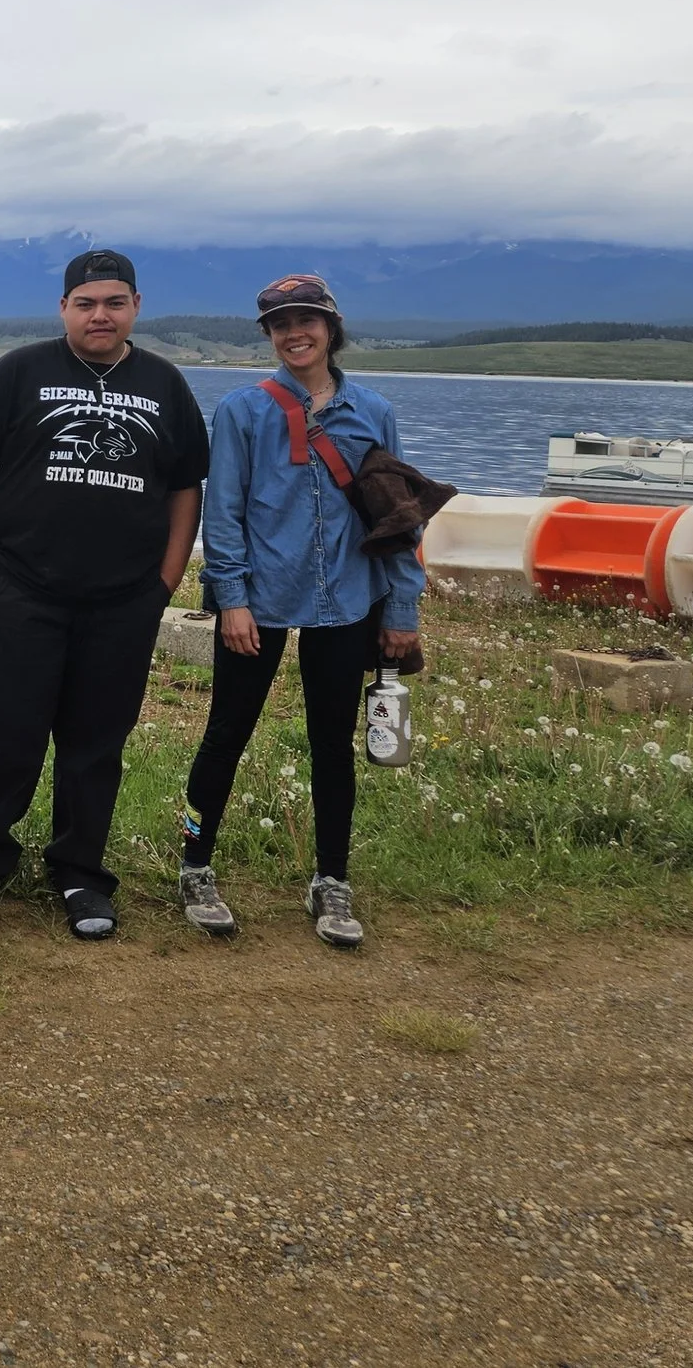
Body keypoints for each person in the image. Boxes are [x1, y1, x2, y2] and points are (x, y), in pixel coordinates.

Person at [0, 250, 208, 940]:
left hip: (123, 600)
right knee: (10, 732)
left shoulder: (165, 384)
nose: (100, 314)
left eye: (114, 302)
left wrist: (164, 581)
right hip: (22, 591)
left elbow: (186, 487)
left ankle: (81, 872)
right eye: (86, 302)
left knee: (96, 742)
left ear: (136, 307)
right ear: (64, 308)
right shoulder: (18, 373)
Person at [179, 274, 424, 949]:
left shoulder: (374, 411)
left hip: (348, 601)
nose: (295, 333)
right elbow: (222, 511)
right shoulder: (241, 410)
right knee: (224, 735)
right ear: (268, 334)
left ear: (331, 329)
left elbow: (398, 518)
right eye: (281, 323)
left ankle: (331, 879)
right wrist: (231, 598)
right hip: (256, 603)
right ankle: (194, 862)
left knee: (331, 747)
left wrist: (402, 606)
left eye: (307, 320)